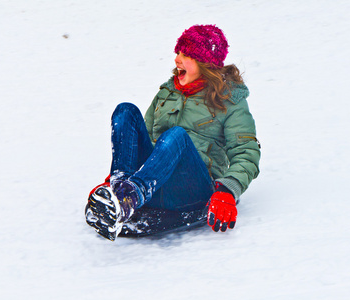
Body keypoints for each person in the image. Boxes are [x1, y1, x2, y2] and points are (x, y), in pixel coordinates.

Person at [85, 24, 260, 241]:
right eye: (178, 52)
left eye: (186, 54)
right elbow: (143, 140)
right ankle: (119, 190)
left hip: (193, 188)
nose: (177, 59)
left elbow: (246, 152)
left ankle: (128, 198)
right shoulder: (168, 92)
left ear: (204, 63)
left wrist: (227, 190)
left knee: (175, 136)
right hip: (156, 182)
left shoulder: (229, 100)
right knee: (125, 111)